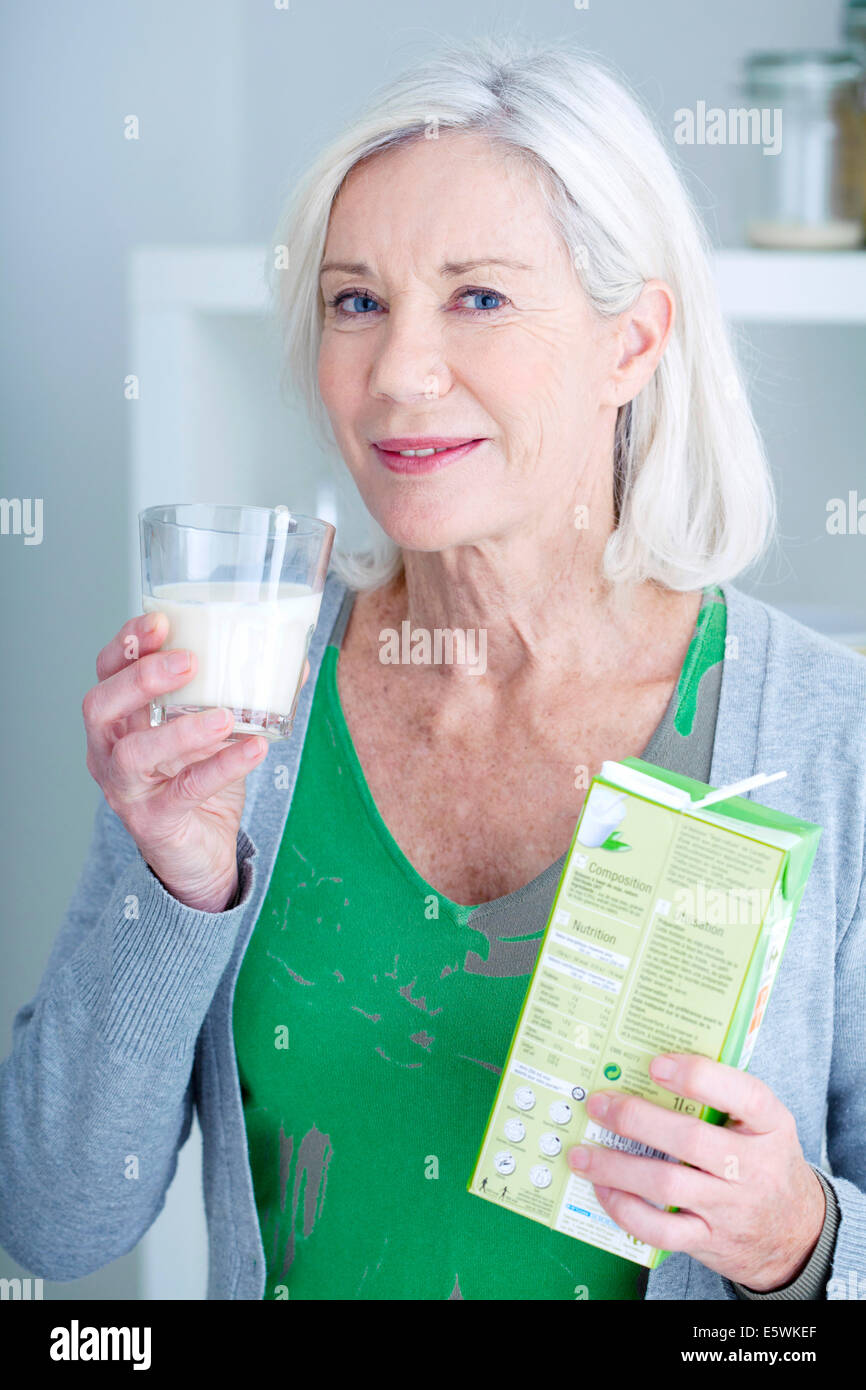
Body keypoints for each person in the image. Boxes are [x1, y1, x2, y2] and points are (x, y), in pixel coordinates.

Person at [2, 35, 864, 1302]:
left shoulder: (826, 737)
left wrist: (799, 1241)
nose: (397, 373)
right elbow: (54, 1220)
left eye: (478, 297)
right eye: (357, 301)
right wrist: (171, 886)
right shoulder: (238, 710)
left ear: (631, 345)